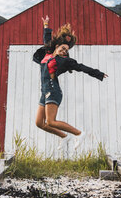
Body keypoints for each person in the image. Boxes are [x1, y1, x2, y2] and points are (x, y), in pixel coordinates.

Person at [33, 15, 108, 150]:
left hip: (53, 90)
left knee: (50, 121)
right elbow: (47, 40)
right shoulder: (47, 54)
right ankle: (64, 136)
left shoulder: (64, 61)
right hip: (44, 92)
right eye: (62, 48)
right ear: (56, 47)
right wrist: (46, 25)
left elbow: (81, 67)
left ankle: (79, 134)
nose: (64, 51)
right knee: (39, 123)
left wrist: (98, 73)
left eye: (66, 50)